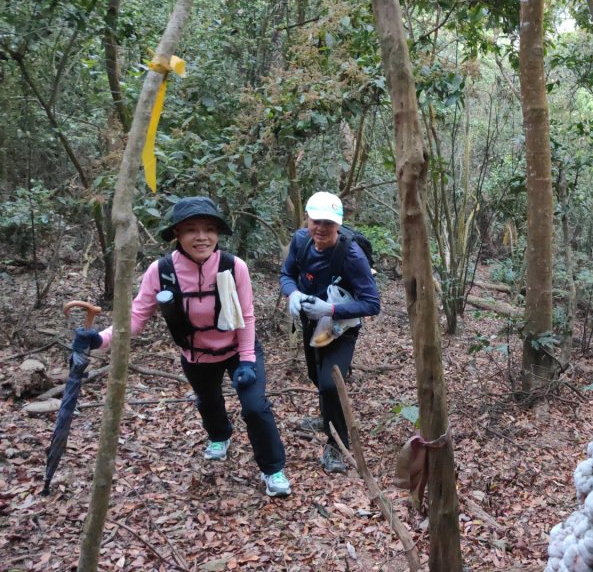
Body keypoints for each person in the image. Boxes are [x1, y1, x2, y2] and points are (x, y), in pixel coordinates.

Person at [75, 196, 291, 497]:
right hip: (196, 354)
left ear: (218, 233)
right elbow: (136, 316)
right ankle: (220, 436)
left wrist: (246, 360)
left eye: (209, 229)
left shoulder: (233, 266)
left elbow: (247, 315)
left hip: (237, 348)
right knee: (208, 401)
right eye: (191, 229)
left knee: (255, 408)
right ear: (177, 234)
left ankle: (273, 469)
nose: (201, 237)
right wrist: (100, 339)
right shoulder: (162, 272)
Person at [280, 191, 380, 473]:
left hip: (342, 325)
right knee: (316, 375)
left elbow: (372, 304)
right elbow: (286, 274)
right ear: (307, 219)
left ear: (338, 224)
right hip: (311, 321)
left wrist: (330, 310)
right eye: (316, 221)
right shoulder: (300, 241)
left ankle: (337, 445)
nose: (321, 228)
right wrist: (293, 294)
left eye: (328, 223)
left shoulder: (351, 255)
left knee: (330, 383)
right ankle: (328, 418)